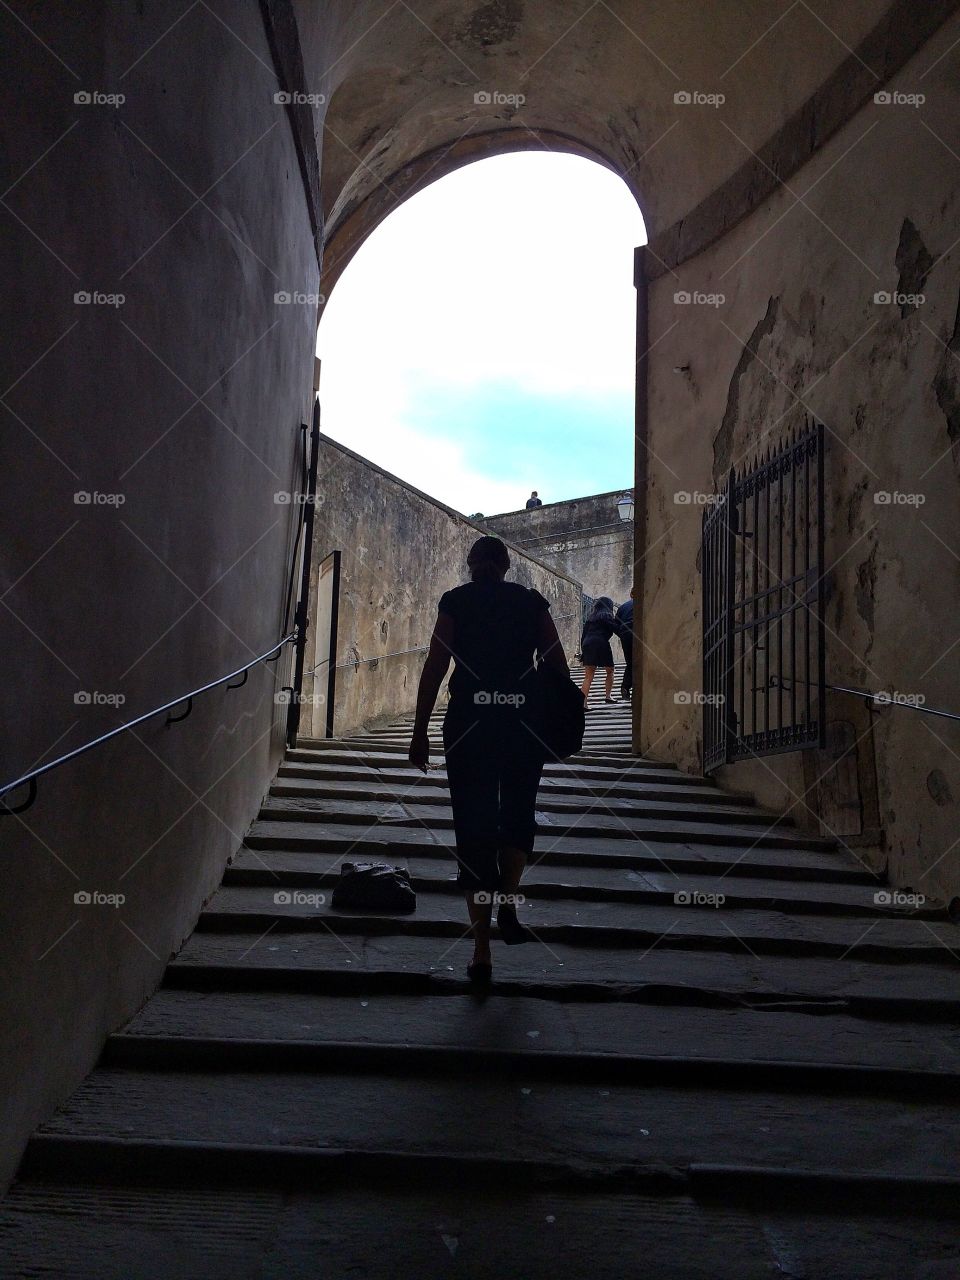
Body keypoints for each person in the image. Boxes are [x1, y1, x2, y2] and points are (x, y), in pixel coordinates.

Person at [409, 536, 569, 983]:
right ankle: (509, 898)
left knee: (473, 826)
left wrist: (419, 730)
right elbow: (556, 662)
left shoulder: (456, 601)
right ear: (505, 566)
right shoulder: (530, 601)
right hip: (522, 720)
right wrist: (559, 721)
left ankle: (481, 952)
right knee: (519, 812)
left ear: (472, 565)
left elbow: (436, 664)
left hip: (469, 722)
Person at [579, 596, 617, 704]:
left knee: (588, 675)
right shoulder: (606, 615)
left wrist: (583, 652)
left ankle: (583, 703)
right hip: (601, 643)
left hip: (587, 644)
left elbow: (583, 635)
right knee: (610, 670)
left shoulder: (591, 618)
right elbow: (615, 628)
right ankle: (608, 696)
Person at [615, 590, 634, 701]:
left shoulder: (623, 607)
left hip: (625, 633)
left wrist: (622, 634)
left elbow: (615, 623)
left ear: (631, 595)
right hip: (639, 632)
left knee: (630, 662)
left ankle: (625, 687)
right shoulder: (647, 603)